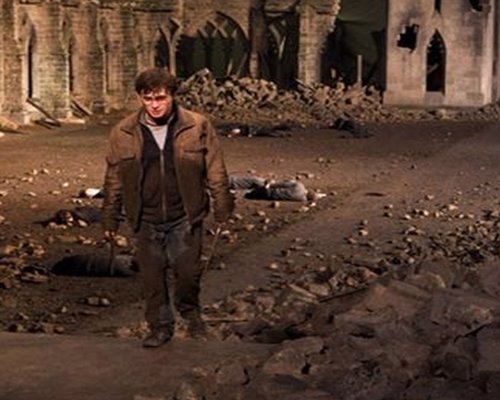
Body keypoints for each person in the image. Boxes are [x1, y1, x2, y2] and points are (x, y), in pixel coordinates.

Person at [101, 67, 234, 348]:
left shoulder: (196, 126)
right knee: (152, 279)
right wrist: (110, 218)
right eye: (148, 98)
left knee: (187, 273)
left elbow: (215, 167)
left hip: (184, 214)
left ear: (172, 95)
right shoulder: (123, 132)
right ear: (140, 98)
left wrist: (223, 204)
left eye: (160, 97)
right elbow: (114, 177)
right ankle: (160, 327)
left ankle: (190, 311)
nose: (155, 104)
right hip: (145, 217)